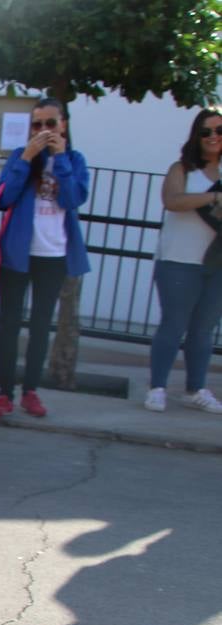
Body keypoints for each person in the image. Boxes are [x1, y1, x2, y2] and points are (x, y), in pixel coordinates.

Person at [0, 98, 89, 424]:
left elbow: (73, 198)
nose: (43, 131)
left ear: (63, 125)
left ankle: (30, 391)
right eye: (37, 125)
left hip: (53, 256)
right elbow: (2, 198)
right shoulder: (20, 157)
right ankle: (4, 394)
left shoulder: (75, 160)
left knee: (41, 327)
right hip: (17, 255)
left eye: (50, 124)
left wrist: (59, 158)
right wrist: (26, 159)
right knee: (9, 326)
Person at [145, 107, 222, 414]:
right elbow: (172, 201)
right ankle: (158, 388)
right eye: (206, 131)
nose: (213, 137)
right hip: (179, 259)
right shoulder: (182, 169)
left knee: (204, 329)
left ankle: (195, 388)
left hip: (216, 263)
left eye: (219, 130)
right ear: (196, 136)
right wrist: (213, 198)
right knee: (173, 325)